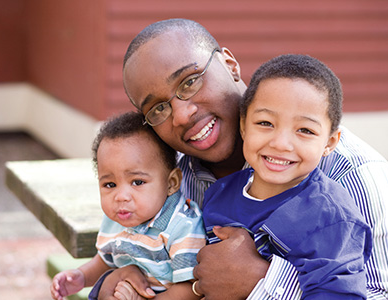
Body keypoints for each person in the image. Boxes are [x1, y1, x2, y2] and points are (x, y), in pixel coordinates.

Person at [94, 18, 388, 300]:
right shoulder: (173, 176)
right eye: (158, 109)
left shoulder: (352, 175)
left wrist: (261, 283)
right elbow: (146, 246)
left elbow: (377, 292)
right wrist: (116, 279)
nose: (183, 115)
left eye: (190, 82)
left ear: (230, 65)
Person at [202, 54, 372, 299]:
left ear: (330, 142)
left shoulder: (331, 217)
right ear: (243, 126)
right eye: (265, 123)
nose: (281, 144)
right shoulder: (220, 192)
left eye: (305, 130)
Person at [50, 111, 206, 300]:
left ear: (171, 182)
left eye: (137, 182)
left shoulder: (181, 225)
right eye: (110, 185)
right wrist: (81, 277)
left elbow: (191, 288)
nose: (121, 197)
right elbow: (107, 260)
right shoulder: (117, 219)